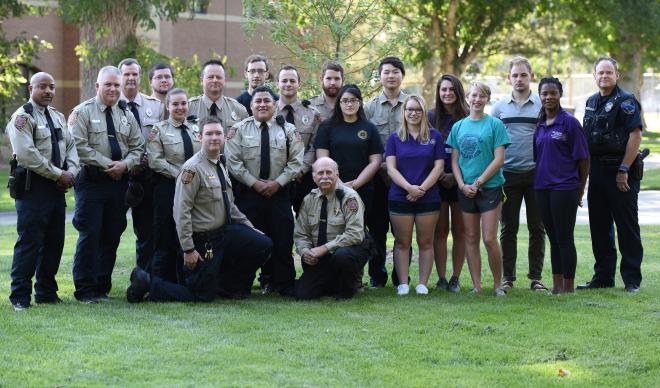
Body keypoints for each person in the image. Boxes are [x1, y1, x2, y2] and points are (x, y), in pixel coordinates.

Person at [126, 117, 273, 302]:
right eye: (209, 133)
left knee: (262, 244)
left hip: (223, 233)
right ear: (199, 137)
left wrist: (250, 228)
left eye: (218, 133)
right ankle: (147, 281)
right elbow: (181, 211)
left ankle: (229, 288)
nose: (214, 137)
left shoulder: (219, 163)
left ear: (224, 137)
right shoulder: (192, 169)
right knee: (200, 296)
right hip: (202, 242)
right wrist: (188, 249)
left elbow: (230, 205)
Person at [69, 66, 144, 303]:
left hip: (118, 184)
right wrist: (108, 164)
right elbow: (79, 145)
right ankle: (84, 290)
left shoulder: (126, 114)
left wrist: (124, 165)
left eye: (116, 85)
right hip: (91, 182)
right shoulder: (82, 112)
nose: (113, 89)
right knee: (90, 234)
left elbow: (138, 147)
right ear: (97, 86)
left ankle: (102, 288)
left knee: (112, 235)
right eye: (108, 85)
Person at [6, 72, 79, 311]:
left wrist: (72, 172)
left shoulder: (58, 117)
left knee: (54, 242)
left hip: (57, 189)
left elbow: (71, 146)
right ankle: (20, 296)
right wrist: (59, 174)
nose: (48, 91)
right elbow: (27, 155)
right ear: (31, 88)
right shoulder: (22, 117)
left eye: (52, 87)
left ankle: (47, 292)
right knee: (30, 242)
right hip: (33, 188)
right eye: (43, 87)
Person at [226, 86, 304, 296]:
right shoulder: (239, 129)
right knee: (249, 240)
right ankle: (241, 286)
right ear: (250, 106)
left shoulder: (288, 130)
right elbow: (233, 162)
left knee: (282, 240)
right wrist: (254, 183)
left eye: (266, 101)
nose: (262, 104)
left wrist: (277, 183)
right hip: (249, 194)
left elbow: (297, 161)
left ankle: (284, 284)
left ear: (275, 105)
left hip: (279, 194)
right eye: (257, 101)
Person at [578, 57, 644, 293]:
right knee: (599, 227)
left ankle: (632, 280)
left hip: (621, 171)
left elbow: (635, 136)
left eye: (609, 72)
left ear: (617, 75)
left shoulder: (626, 102)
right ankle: (603, 277)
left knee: (626, 227)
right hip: (597, 171)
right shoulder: (591, 102)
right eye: (600, 72)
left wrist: (624, 170)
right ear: (594, 75)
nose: (604, 76)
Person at [446, 82, 511, 296]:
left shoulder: (495, 125)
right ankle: (476, 285)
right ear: (467, 97)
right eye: (474, 95)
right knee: (471, 237)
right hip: (465, 190)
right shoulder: (458, 127)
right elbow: (454, 161)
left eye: (482, 96)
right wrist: (463, 185)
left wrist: (478, 183)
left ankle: (497, 284)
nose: (477, 99)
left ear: (487, 99)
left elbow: (499, 159)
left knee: (489, 238)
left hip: (489, 188)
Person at [491, 56, 547, 292]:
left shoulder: (542, 105)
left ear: (531, 76)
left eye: (523, 74)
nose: (519, 79)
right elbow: (491, 141)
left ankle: (535, 277)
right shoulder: (499, 107)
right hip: (508, 176)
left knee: (537, 228)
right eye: (515, 75)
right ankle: (508, 278)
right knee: (508, 228)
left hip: (536, 174)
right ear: (509, 78)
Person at [533, 77, 590, 294]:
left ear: (560, 95)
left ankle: (569, 287)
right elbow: (538, 158)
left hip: (565, 188)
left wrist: (580, 189)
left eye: (552, 93)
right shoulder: (539, 125)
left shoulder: (570, 123)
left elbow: (584, 159)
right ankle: (556, 286)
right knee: (553, 238)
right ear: (540, 96)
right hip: (542, 188)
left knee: (564, 238)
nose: (548, 97)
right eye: (544, 93)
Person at [142, 88, 201, 290]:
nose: (180, 107)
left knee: (187, 235)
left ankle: (185, 281)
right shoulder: (158, 130)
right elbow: (155, 161)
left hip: (193, 192)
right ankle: (160, 283)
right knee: (164, 235)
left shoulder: (195, 130)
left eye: (183, 103)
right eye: (175, 104)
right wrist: (182, 175)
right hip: (167, 189)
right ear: (167, 107)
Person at [386, 96, 445, 295]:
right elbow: (391, 169)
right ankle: (403, 283)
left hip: (428, 197)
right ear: (404, 112)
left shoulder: (435, 136)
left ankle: (422, 284)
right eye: (409, 109)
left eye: (418, 110)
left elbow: (439, 167)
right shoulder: (395, 137)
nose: (413, 113)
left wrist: (421, 190)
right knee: (402, 242)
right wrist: (409, 188)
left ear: (424, 112)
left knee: (426, 241)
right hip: (399, 196)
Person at [294, 157, 369, 300]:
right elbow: (301, 234)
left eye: (329, 172)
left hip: (348, 250)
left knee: (342, 257)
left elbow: (355, 234)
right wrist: (305, 252)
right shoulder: (309, 200)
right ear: (314, 177)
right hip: (321, 255)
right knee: (303, 294)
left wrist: (324, 248)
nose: (325, 176)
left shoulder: (349, 197)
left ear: (337, 175)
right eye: (320, 173)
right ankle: (332, 283)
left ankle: (347, 289)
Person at [364, 56, 409, 287]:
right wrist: (382, 167)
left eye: (395, 72)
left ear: (402, 75)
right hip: (378, 177)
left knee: (403, 230)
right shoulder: (370, 107)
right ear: (379, 77)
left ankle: (402, 275)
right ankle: (377, 276)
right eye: (386, 72)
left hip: (406, 178)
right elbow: (364, 141)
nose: (390, 76)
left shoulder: (412, 103)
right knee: (377, 228)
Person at [118, 58, 163, 273]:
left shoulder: (154, 107)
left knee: (147, 231)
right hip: (118, 177)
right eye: (126, 74)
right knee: (111, 230)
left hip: (147, 178)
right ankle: (97, 284)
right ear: (120, 77)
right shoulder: (109, 105)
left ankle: (145, 277)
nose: (131, 78)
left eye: (134, 74)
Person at [429, 74, 469, 293]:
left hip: (461, 181)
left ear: (458, 92)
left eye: (451, 90)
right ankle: (441, 277)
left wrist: (456, 176)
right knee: (440, 231)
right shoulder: (430, 116)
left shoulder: (468, 117)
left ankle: (455, 277)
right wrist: (439, 175)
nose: (447, 93)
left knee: (460, 232)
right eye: (443, 89)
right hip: (436, 181)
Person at [276, 65, 322, 213]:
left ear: (298, 84)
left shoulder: (312, 113)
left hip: (304, 177)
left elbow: (314, 146)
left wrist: (300, 169)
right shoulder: (268, 111)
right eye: (284, 80)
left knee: (306, 221)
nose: (288, 84)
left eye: (292, 80)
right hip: (275, 177)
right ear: (278, 83)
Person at [189, 59, 248, 129]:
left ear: (224, 81)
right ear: (202, 80)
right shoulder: (189, 108)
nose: (215, 80)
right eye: (210, 77)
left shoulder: (238, 110)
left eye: (219, 77)